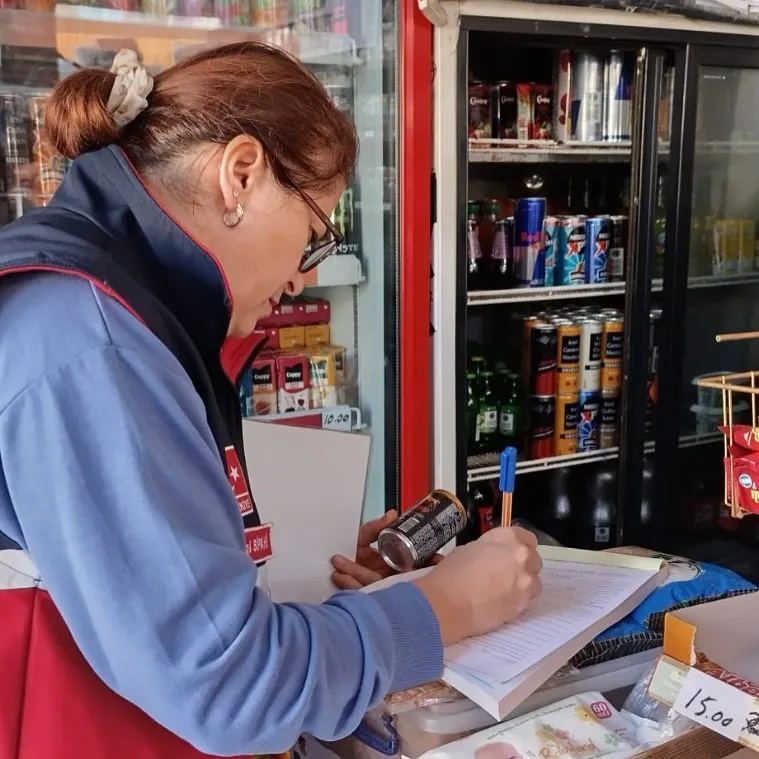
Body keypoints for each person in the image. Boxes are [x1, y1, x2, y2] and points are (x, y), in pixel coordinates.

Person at [0, 43, 542, 759]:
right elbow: (229, 687)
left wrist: (289, 559)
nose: (298, 280)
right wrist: (447, 606)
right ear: (241, 174)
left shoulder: (107, 294)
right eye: (313, 237)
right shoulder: (93, 341)